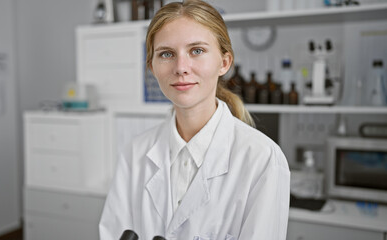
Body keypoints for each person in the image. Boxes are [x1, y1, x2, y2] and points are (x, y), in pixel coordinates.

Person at [99, 1, 290, 239]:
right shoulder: (135, 153)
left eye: (196, 51)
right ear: (152, 66)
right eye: (166, 54)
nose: (181, 67)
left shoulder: (262, 158)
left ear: (224, 62)